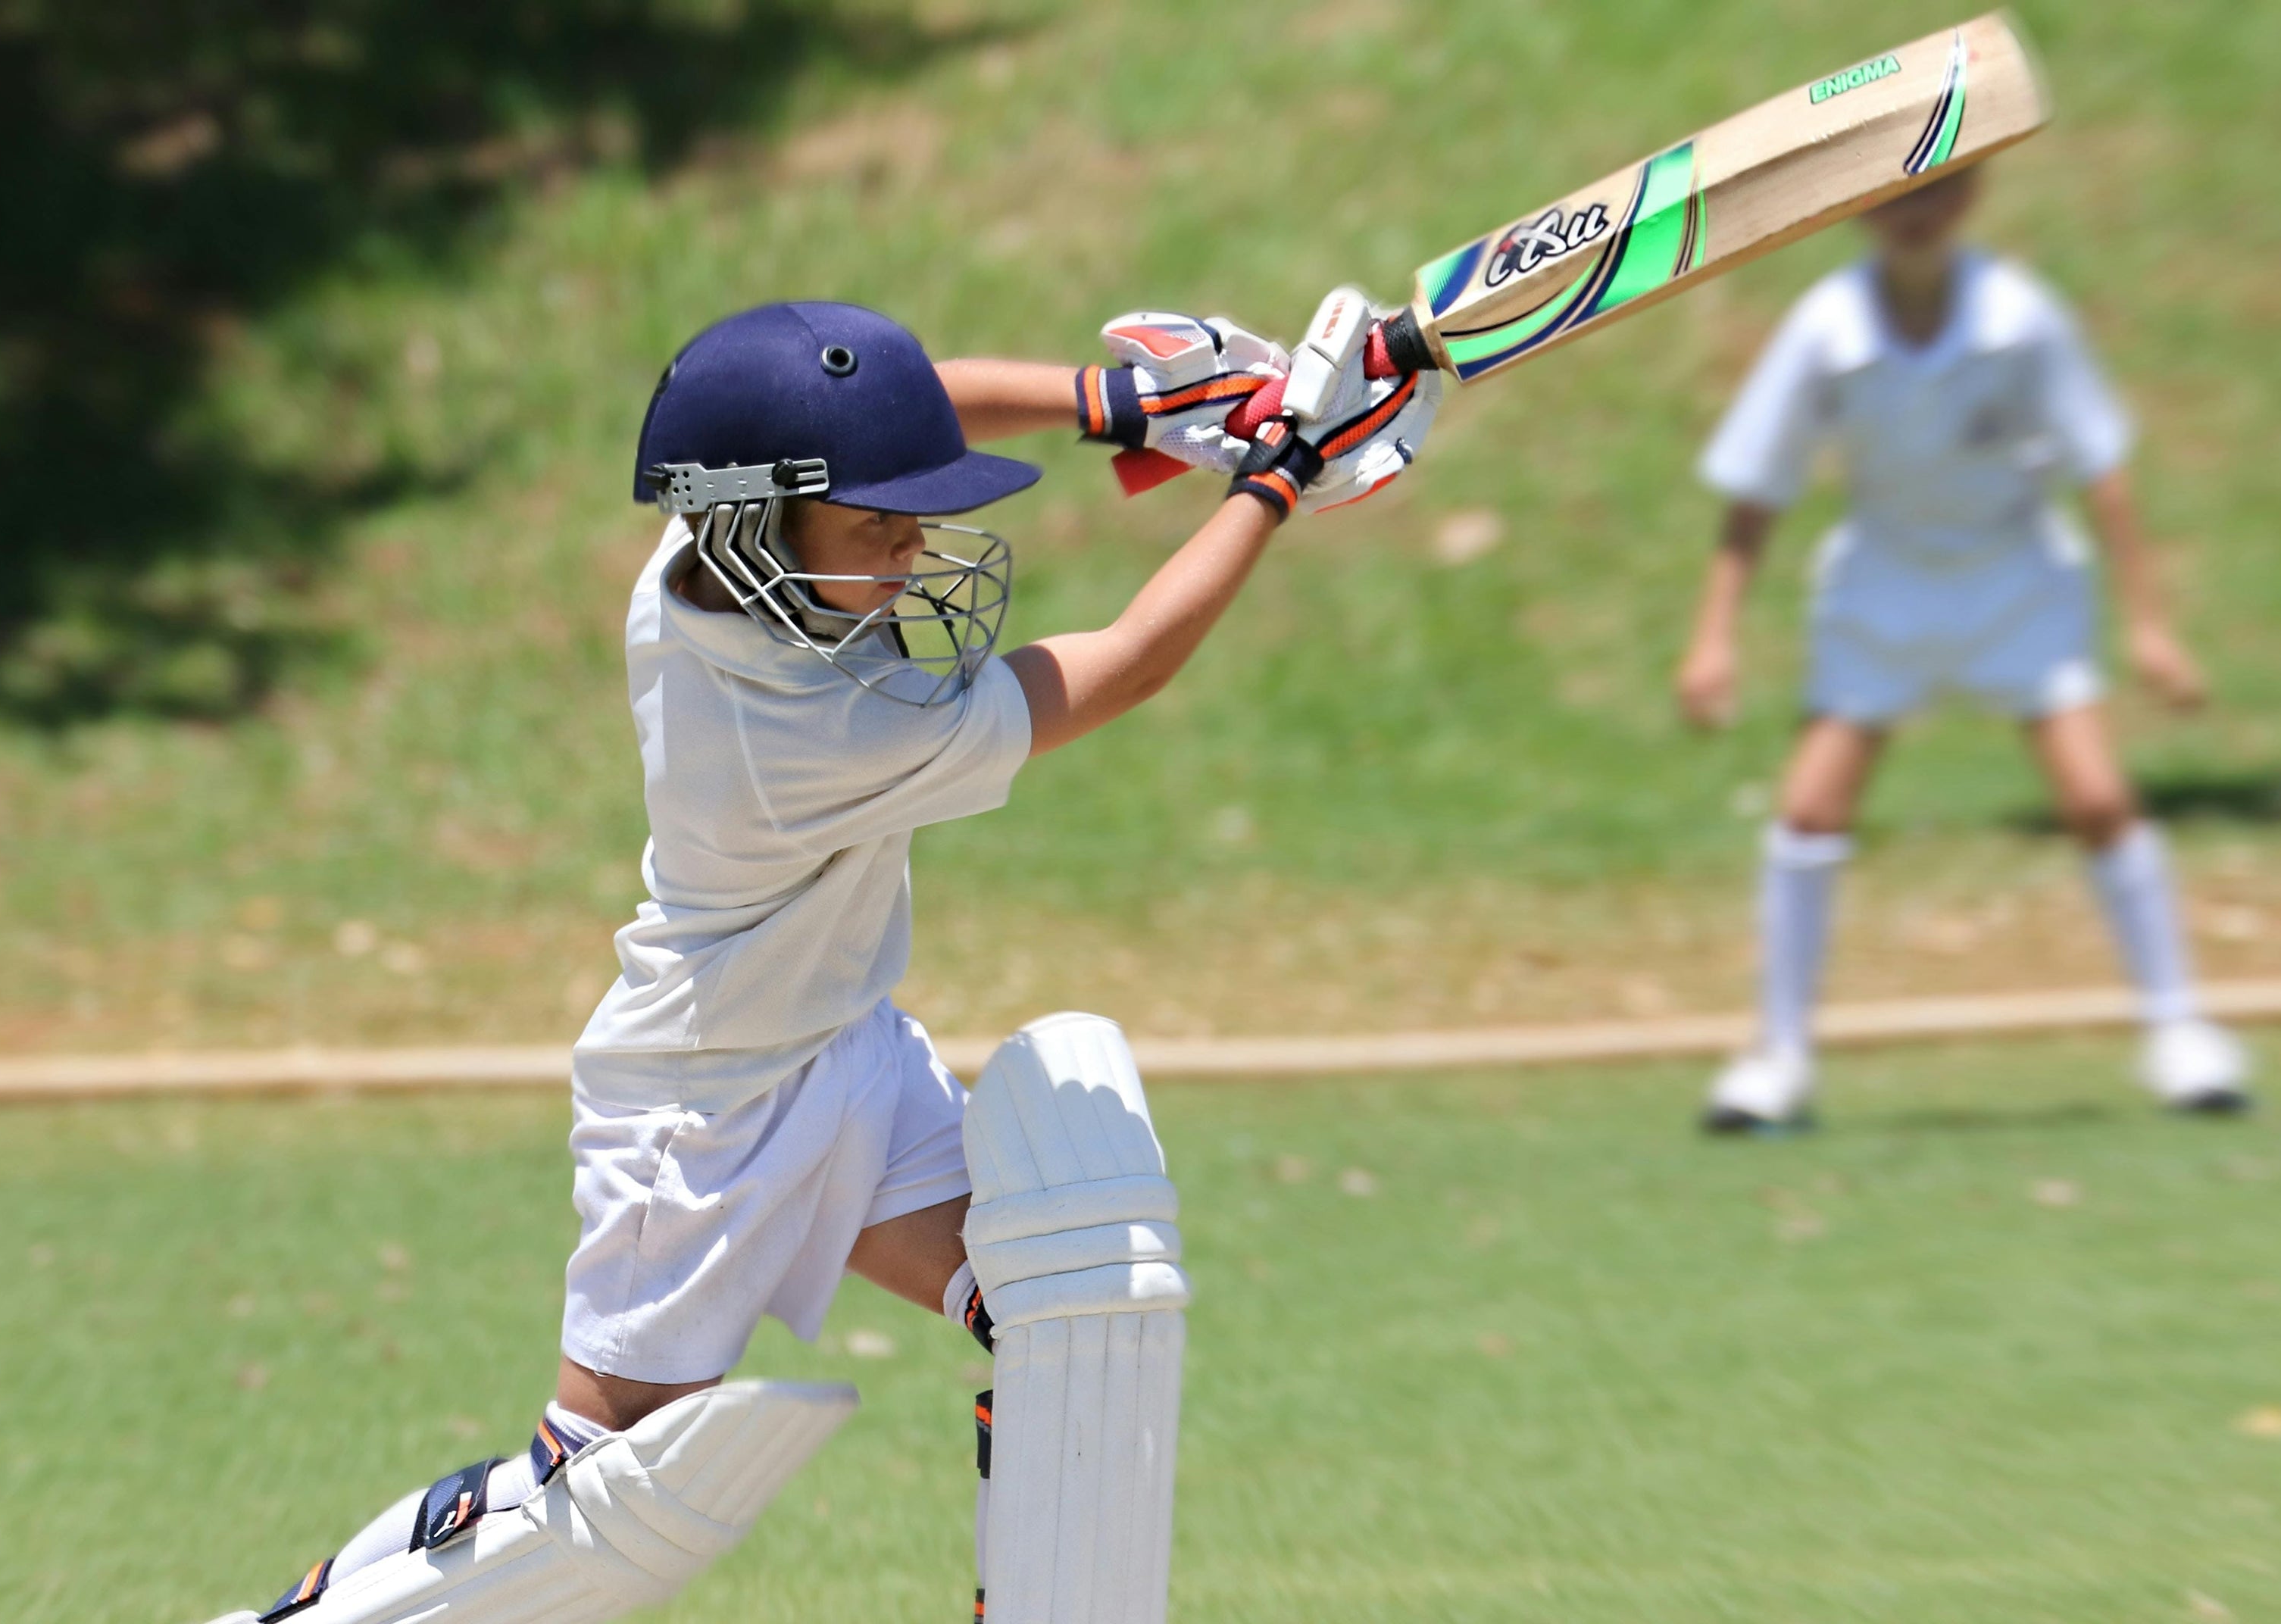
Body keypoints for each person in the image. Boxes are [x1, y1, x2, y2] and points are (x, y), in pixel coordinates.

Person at [199, 299, 1438, 1624]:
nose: (914, 548)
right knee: (598, 1504)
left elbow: (898, 414)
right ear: (757, 524)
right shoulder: (814, 730)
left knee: (1080, 1307)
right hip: (704, 1113)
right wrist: (1275, 477)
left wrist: (1125, 404)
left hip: (850, 1048)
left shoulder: (706, 541)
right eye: (878, 526)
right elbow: (1126, 663)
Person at [1673, 165, 2250, 1133]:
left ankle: (2181, 1032)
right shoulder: (1826, 330)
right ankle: (1776, 1059)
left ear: (1972, 199)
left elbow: (2102, 469)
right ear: (1854, 207)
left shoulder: (2021, 317)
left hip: (2014, 572)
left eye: (1936, 192)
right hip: (1884, 582)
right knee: (1809, 812)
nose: (1914, 214)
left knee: (2099, 800)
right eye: (1891, 196)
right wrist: (1713, 635)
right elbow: (1757, 486)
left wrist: (2151, 627)